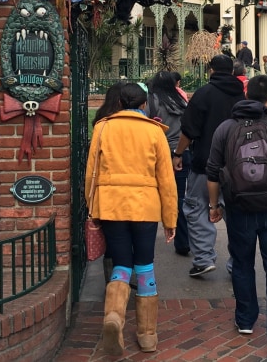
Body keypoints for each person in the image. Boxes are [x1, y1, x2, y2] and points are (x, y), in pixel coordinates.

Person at [207, 75, 267, 359]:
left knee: (242, 262)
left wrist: (214, 206)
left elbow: (213, 172)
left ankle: (246, 319)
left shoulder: (226, 128)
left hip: (239, 208)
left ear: (246, 93)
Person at [85, 82, 178, 355]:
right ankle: (147, 335)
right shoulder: (154, 132)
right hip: (145, 208)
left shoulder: (102, 128)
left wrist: (93, 208)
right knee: (145, 266)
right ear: (143, 104)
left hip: (111, 206)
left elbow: (91, 173)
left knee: (122, 264)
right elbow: (167, 181)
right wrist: (170, 219)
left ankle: (113, 317)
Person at [173, 54, 245, 277]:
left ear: (211, 70)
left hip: (205, 163)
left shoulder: (204, 93)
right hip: (236, 166)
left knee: (196, 209)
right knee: (236, 213)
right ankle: (237, 262)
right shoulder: (241, 96)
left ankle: (204, 258)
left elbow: (189, 129)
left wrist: (178, 153)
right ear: (232, 72)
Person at [147, 71, 190, 257]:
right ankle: (183, 241)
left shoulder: (152, 101)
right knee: (178, 197)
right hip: (181, 152)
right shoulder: (181, 101)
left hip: (160, 153)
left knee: (151, 195)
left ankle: (146, 240)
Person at [92, 81, 127, 283]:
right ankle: (125, 278)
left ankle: (113, 281)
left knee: (112, 237)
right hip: (130, 185)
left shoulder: (100, 119)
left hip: (107, 185)